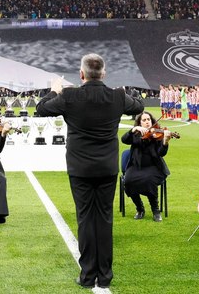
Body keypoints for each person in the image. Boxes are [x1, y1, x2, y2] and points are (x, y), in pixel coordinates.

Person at [36, 53, 144, 289]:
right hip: (106, 168)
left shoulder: (71, 96)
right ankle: (104, 275)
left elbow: (41, 108)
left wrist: (55, 90)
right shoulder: (116, 96)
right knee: (104, 219)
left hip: (80, 168)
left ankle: (87, 276)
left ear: (81, 74)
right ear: (103, 73)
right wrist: (125, 92)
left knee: (85, 219)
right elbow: (139, 106)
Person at [121, 112, 172, 222]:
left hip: (154, 167)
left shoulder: (157, 135)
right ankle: (140, 208)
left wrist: (165, 142)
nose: (147, 121)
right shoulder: (135, 134)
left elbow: (161, 153)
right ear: (139, 123)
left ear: (152, 121)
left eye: (148, 119)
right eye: (143, 120)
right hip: (136, 166)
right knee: (128, 181)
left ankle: (156, 211)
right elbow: (124, 139)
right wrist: (133, 130)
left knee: (149, 180)